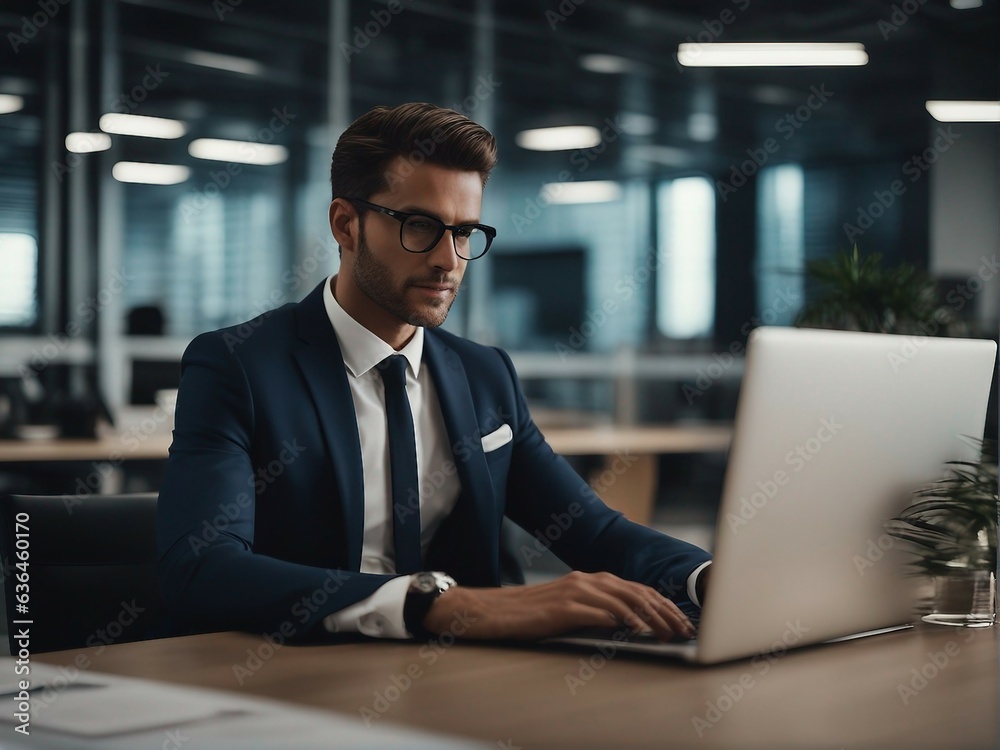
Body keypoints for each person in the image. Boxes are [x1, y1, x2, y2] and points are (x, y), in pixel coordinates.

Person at [156, 102, 712, 645]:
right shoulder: (239, 366)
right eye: (420, 226)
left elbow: (593, 531)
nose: (448, 260)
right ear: (346, 224)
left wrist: (710, 581)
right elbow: (201, 569)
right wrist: (439, 605)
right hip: (305, 676)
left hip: (467, 681)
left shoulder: (484, 373)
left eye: (465, 232)